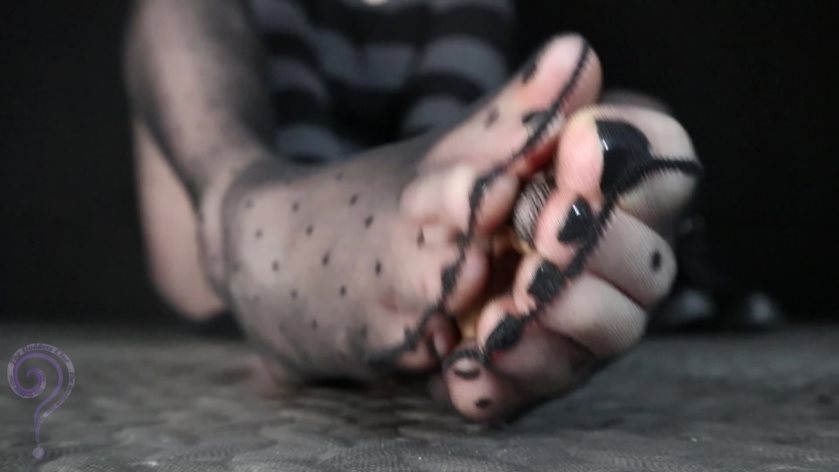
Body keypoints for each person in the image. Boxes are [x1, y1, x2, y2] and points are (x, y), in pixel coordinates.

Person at [124, 0, 700, 421]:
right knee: (179, 17)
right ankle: (245, 217)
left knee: (628, 119)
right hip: (240, 235)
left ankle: (488, 276)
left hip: (405, 226)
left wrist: (507, 189)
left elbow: (449, 149)